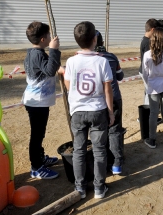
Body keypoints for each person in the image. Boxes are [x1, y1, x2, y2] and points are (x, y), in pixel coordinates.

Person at [64, 21, 114, 200]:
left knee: (79, 150)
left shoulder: (70, 61)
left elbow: (69, 85)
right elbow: (107, 89)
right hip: (98, 110)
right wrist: (110, 111)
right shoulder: (102, 61)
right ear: (95, 39)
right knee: (99, 149)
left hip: (77, 111)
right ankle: (99, 188)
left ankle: (80, 188)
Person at [22, 21, 62, 179]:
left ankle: (40, 158)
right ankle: (36, 167)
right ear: (43, 39)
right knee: (37, 134)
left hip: (37, 101)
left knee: (40, 133)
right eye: (48, 35)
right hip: (36, 102)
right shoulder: (38, 54)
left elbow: (48, 67)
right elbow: (50, 70)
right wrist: (54, 50)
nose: (50, 37)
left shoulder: (34, 52)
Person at [95, 30, 124, 175]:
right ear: (102, 43)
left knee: (99, 131)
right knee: (115, 130)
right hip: (114, 98)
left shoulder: (85, 58)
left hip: (97, 101)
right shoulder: (112, 57)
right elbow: (120, 76)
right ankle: (117, 163)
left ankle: (103, 162)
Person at [142, 27, 163, 148]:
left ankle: (152, 139)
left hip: (153, 87)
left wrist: (149, 83)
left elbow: (145, 73)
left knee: (153, 113)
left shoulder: (147, 55)